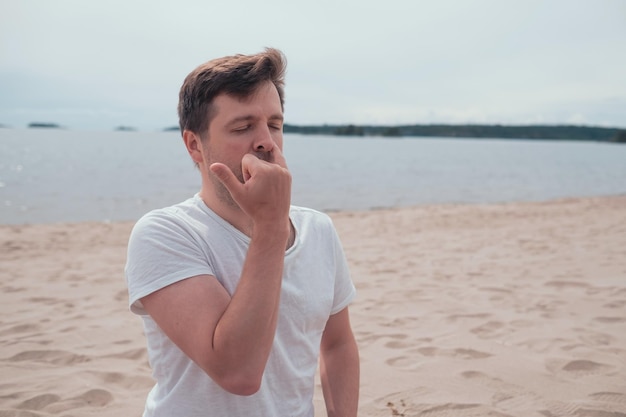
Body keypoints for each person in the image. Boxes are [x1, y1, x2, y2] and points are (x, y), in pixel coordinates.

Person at [125, 48, 360, 417]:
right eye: (243, 126)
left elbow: (337, 344)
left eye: (275, 124)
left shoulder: (318, 229)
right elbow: (238, 373)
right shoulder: (165, 233)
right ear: (194, 145)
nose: (267, 141)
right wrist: (270, 224)